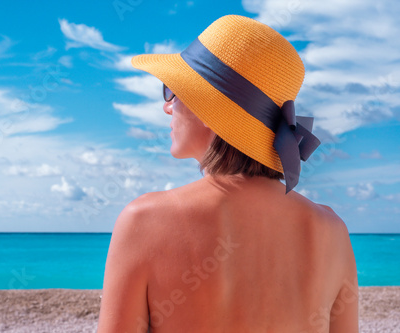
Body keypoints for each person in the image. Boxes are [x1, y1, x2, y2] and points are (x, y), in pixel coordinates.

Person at [96, 15, 358, 333]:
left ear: (207, 107)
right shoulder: (332, 229)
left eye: (172, 91)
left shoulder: (145, 220)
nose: (167, 107)